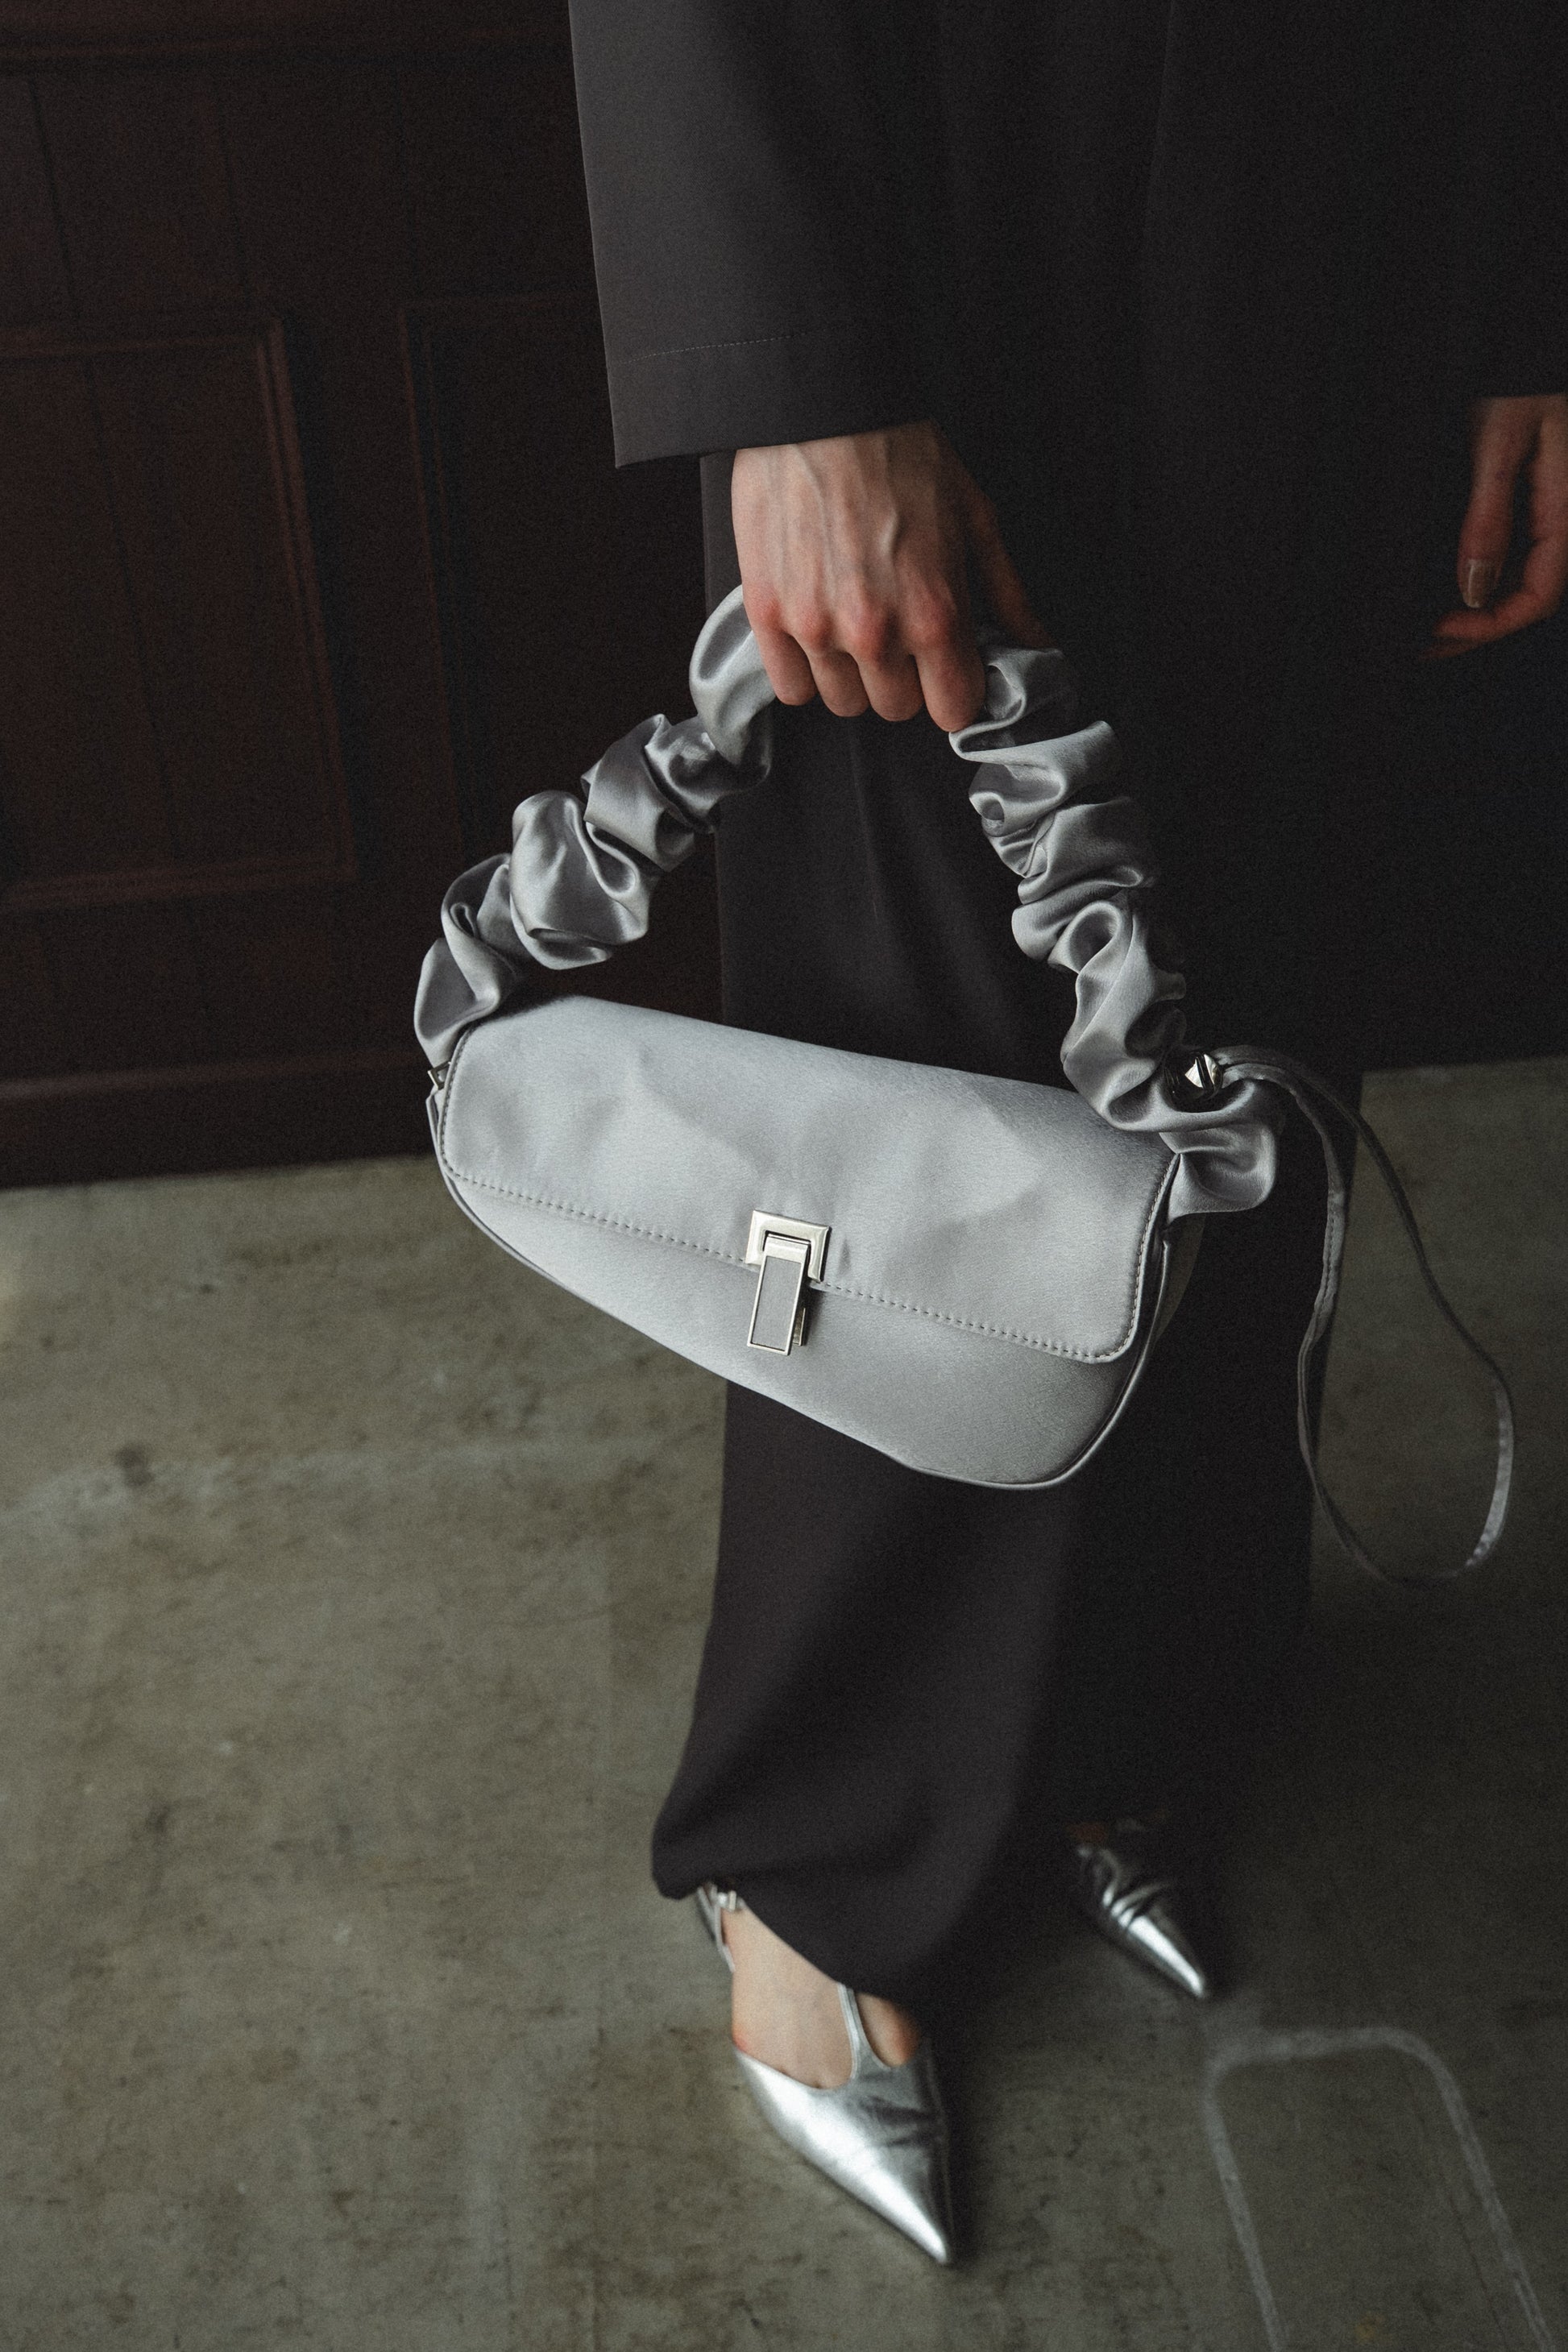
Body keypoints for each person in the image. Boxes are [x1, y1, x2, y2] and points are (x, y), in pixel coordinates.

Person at [563, 0, 1568, 2260]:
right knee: (920, 1104)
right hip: (939, 189)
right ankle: (818, 1858)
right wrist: (796, 378)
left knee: (1246, 1033)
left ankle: (1132, 1712)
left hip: (1363, 176)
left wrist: (1525, 291)